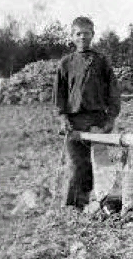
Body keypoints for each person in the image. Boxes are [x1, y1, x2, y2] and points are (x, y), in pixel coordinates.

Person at [53, 16, 125, 211]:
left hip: (98, 121)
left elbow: (113, 91)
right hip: (75, 122)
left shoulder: (101, 61)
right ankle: (75, 205)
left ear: (93, 35)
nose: (82, 37)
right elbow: (59, 94)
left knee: (102, 165)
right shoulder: (65, 63)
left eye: (86, 33)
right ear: (72, 37)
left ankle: (106, 203)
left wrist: (111, 118)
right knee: (78, 165)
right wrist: (63, 118)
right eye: (78, 34)